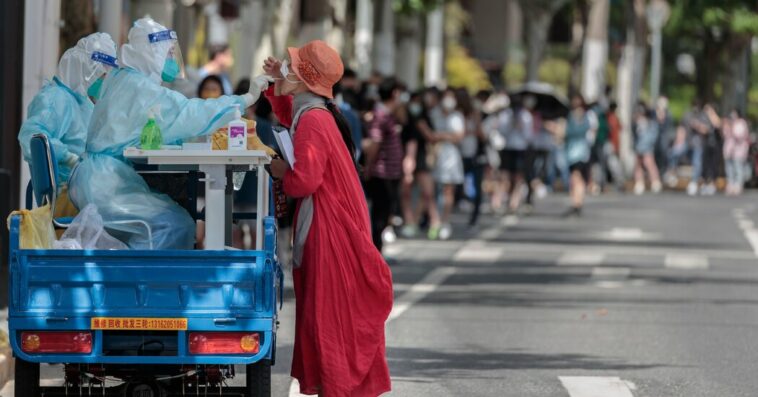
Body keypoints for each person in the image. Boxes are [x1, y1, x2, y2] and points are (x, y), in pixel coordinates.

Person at [68, 17, 271, 250]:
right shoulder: (140, 88)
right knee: (175, 224)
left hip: (99, 179)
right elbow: (188, 112)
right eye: (167, 53)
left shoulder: (124, 79)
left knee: (174, 218)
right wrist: (244, 99)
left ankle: (142, 281)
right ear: (150, 54)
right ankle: (143, 283)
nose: (172, 60)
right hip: (105, 185)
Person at [263, 40, 393, 396]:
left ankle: (336, 388)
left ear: (304, 80)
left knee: (329, 315)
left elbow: (304, 180)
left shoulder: (315, 120)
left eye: (291, 67)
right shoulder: (316, 111)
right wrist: (278, 81)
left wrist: (278, 171)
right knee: (333, 314)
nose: (284, 70)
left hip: (328, 228)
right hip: (333, 223)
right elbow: (292, 116)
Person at [18, 32, 118, 191]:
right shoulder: (56, 99)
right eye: (102, 75)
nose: (104, 81)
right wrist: (68, 158)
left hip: (85, 187)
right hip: (70, 192)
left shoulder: (82, 103)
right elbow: (32, 136)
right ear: (85, 70)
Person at [363, 77, 404, 253]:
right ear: (394, 93)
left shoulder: (387, 114)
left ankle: (377, 251)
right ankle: (375, 252)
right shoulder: (381, 115)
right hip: (382, 173)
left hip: (390, 172)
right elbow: (375, 143)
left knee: (384, 213)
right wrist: (368, 168)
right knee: (379, 215)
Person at [431, 89, 466, 240]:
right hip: (435, 155)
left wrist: (441, 136)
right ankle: (434, 220)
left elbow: (459, 136)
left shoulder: (457, 116)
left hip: (451, 156)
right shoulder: (434, 113)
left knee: (447, 190)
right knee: (430, 190)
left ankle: (445, 221)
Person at [457, 88, 487, 226]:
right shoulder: (456, 114)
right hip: (459, 154)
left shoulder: (475, 114)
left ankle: (475, 214)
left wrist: (473, 126)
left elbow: (482, 135)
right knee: (457, 185)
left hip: (475, 155)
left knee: (477, 185)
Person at [564, 94, 597, 217]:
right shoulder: (570, 115)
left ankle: (577, 202)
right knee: (576, 178)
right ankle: (576, 202)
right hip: (571, 151)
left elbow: (581, 131)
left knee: (577, 177)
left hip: (581, 151)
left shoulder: (586, 116)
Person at [632, 103, 662, 195]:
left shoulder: (651, 123)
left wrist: (647, 146)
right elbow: (635, 135)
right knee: (638, 166)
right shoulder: (638, 123)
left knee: (650, 165)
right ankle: (639, 183)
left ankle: (655, 182)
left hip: (647, 147)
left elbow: (652, 137)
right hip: (639, 146)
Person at [722, 110, 750, 196]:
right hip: (729, 150)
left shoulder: (741, 123)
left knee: (738, 168)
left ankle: (738, 185)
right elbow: (725, 135)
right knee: (729, 168)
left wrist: (732, 127)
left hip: (738, 151)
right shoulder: (728, 124)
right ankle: (731, 184)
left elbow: (739, 136)